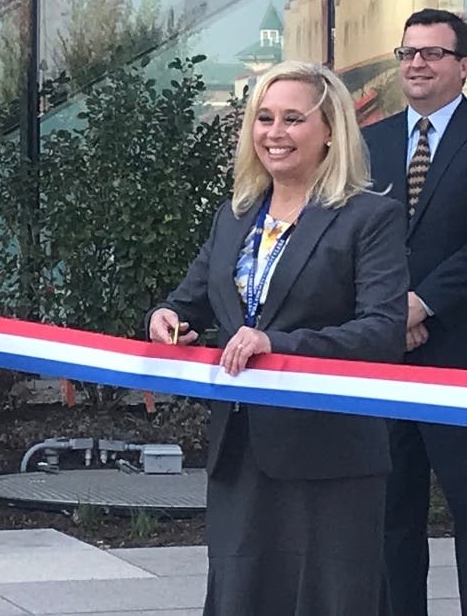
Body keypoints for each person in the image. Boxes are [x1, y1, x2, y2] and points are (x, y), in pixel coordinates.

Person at [147, 61, 407, 616]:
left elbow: (383, 331)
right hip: (240, 455)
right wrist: (166, 317)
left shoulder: (370, 217)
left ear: (331, 129)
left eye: (293, 119)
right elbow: (187, 299)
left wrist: (280, 345)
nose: (274, 132)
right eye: (264, 118)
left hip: (330, 458)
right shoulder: (235, 217)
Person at [364, 8, 467, 616]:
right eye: (407, 53)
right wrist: (387, 310)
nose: (416, 64)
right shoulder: (368, 143)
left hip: (458, 361)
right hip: (382, 359)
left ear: (462, 66)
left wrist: (420, 302)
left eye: (431, 53)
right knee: (388, 520)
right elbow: (346, 239)